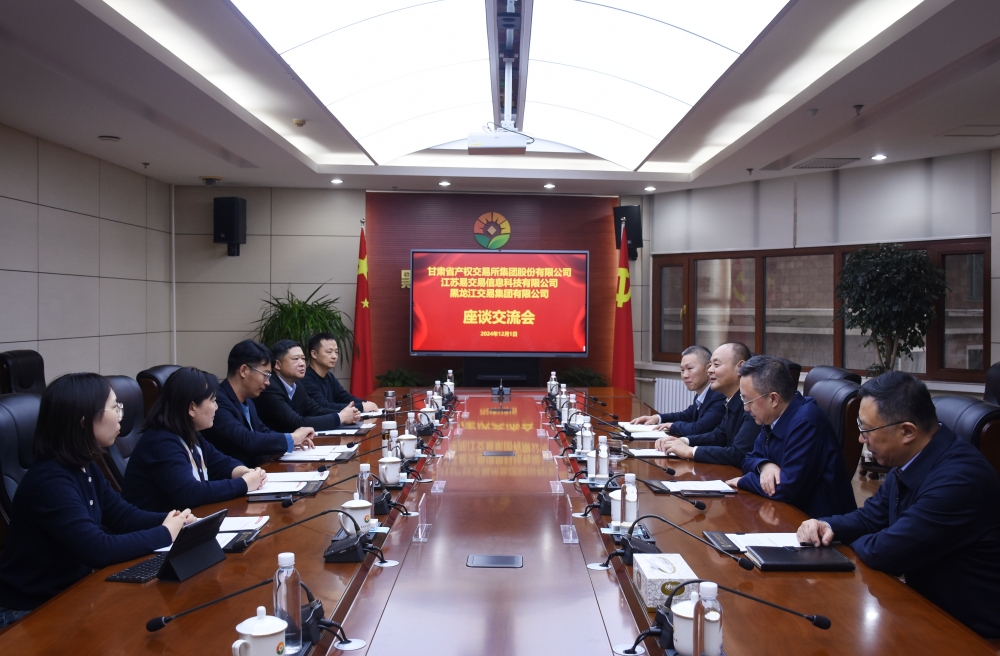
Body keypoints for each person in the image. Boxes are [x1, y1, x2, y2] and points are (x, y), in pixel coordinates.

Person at [797, 372, 1000, 639]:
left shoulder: (960, 481)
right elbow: (870, 518)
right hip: (922, 609)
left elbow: (884, 553)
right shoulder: (912, 458)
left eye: (867, 430)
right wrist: (827, 525)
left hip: (969, 633)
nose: (861, 439)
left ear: (907, 432)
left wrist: (851, 541)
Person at [0, 374, 195, 628]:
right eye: (115, 407)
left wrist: (176, 520)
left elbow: (123, 516)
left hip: (73, 593)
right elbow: (98, 549)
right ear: (84, 420)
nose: (121, 415)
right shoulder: (49, 481)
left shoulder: (84, 466)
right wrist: (165, 533)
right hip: (28, 611)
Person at [724, 355, 856, 517]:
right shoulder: (771, 416)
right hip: (788, 511)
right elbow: (748, 459)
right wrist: (765, 465)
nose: (745, 408)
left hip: (821, 522)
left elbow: (785, 488)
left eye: (748, 401)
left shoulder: (805, 422)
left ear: (773, 399)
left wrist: (744, 481)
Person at [122, 367, 269, 513]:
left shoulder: (189, 433)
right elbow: (190, 493)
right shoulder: (161, 442)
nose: (216, 407)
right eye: (213, 401)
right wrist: (244, 484)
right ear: (192, 408)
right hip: (158, 525)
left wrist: (244, 472)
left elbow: (220, 463)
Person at [201, 340, 316, 467]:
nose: (268, 382)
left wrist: (289, 441)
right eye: (265, 375)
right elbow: (246, 440)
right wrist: (291, 438)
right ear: (244, 370)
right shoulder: (217, 401)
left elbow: (262, 431)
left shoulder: (248, 400)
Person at [654, 342, 757, 468]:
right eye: (710, 365)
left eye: (716, 365)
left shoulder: (751, 404)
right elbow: (718, 436)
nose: (709, 370)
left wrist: (691, 451)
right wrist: (684, 441)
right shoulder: (732, 399)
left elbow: (739, 454)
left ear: (740, 367)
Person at [256, 340, 361, 433]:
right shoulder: (269, 387)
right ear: (277, 365)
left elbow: (315, 410)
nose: (302, 363)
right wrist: (340, 417)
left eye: (303, 358)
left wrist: (347, 414)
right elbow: (296, 423)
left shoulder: (297, 384)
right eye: (296, 359)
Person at [631, 345, 725, 436]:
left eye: (689, 368)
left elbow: (699, 428)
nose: (685, 375)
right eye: (682, 370)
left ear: (708, 369)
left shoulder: (719, 395)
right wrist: (657, 418)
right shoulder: (703, 394)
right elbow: (686, 416)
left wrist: (673, 426)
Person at [302, 333, 379, 413]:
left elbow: (344, 397)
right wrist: (361, 407)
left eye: (336, 352)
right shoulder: (305, 379)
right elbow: (323, 406)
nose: (334, 356)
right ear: (314, 354)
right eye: (329, 352)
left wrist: (366, 403)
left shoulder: (329, 377)